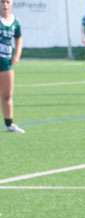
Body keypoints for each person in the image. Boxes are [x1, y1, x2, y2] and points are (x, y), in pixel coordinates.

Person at [0, 0, 22, 133]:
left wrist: (17, 54)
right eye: (2, 2)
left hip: (6, 62)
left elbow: (18, 37)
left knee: (7, 95)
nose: (5, 5)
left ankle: (9, 124)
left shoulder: (15, 22)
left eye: (7, 2)